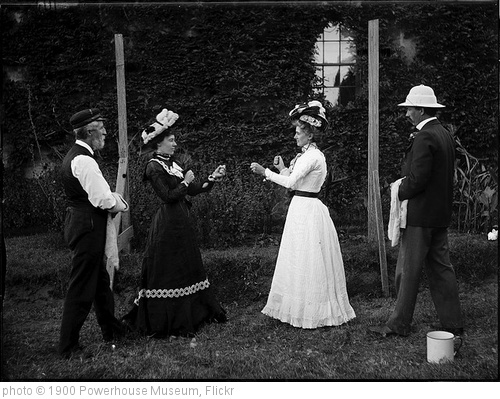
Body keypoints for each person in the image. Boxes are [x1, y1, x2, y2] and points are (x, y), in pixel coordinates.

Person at [250, 101, 356, 329]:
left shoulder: (312, 157)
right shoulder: (306, 155)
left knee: (309, 259)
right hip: (301, 207)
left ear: (309, 133)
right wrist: (280, 169)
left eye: (298, 132)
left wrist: (265, 172)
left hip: (307, 210)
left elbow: (290, 182)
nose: (295, 136)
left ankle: (313, 312)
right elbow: (294, 181)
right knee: (298, 258)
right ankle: (297, 308)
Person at [123, 108, 227, 338]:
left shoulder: (172, 163)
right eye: (170, 140)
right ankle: (168, 320)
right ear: (158, 144)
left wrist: (212, 178)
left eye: (174, 140)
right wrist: (185, 182)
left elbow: (194, 189)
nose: (175, 144)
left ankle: (192, 314)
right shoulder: (153, 167)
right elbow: (168, 196)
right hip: (167, 225)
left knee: (185, 265)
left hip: (182, 222)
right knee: (169, 269)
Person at [369, 85, 463, 338]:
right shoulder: (443, 133)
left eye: (409, 108)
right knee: (442, 268)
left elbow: (418, 179)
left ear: (421, 110)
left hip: (420, 217)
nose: (407, 113)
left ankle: (398, 324)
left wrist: (398, 190)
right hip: (439, 215)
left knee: (407, 272)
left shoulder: (424, 137)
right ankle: (453, 323)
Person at [59, 108, 130, 359]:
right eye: (101, 127)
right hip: (88, 227)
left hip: (83, 224)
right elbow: (103, 200)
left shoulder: (75, 156)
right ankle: (68, 345)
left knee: (100, 284)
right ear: (89, 132)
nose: (106, 132)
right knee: (81, 286)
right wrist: (120, 201)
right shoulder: (85, 160)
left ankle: (112, 330)